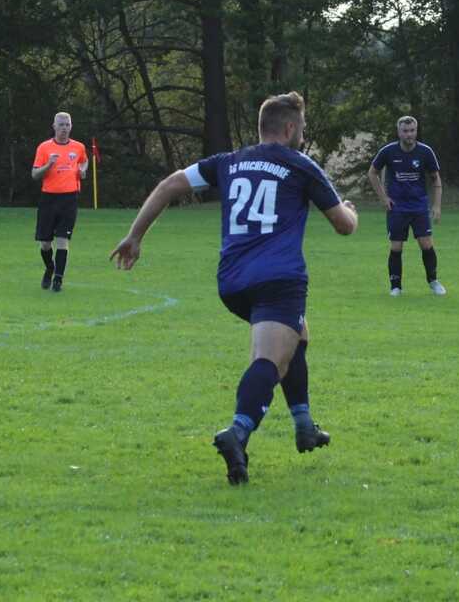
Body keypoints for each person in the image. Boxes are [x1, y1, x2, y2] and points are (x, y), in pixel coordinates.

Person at [109, 92, 358, 485]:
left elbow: (169, 185)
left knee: (298, 335)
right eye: (302, 128)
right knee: (270, 360)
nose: (302, 135)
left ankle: (305, 424)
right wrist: (352, 211)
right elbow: (343, 225)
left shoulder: (228, 162)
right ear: (289, 128)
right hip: (278, 279)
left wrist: (135, 235)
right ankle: (238, 432)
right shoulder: (300, 164)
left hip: (233, 281)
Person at [367, 116, 445, 296]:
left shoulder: (425, 152)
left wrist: (437, 206)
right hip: (397, 207)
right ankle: (396, 287)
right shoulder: (388, 151)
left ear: (416, 131)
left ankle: (433, 281)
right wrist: (383, 198)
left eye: (412, 131)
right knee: (396, 247)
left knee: (426, 244)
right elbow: (372, 173)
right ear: (399, 132)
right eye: (405, 131)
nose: (409, 134)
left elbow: (436, 179)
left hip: (419, 206)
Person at [32, 112, 88, 292]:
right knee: (45, 243)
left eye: (67, 125)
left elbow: (84, 162)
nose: (64, 128)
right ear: (54, 126)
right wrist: (49, 165)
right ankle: (50, 268)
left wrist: (82, 170)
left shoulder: (78, 147)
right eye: (61, 125)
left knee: (63, 240)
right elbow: (35, 174)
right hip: (48, 199)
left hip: (69, 199)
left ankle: (58, 279)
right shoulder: (44, 148)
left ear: (71, 126)